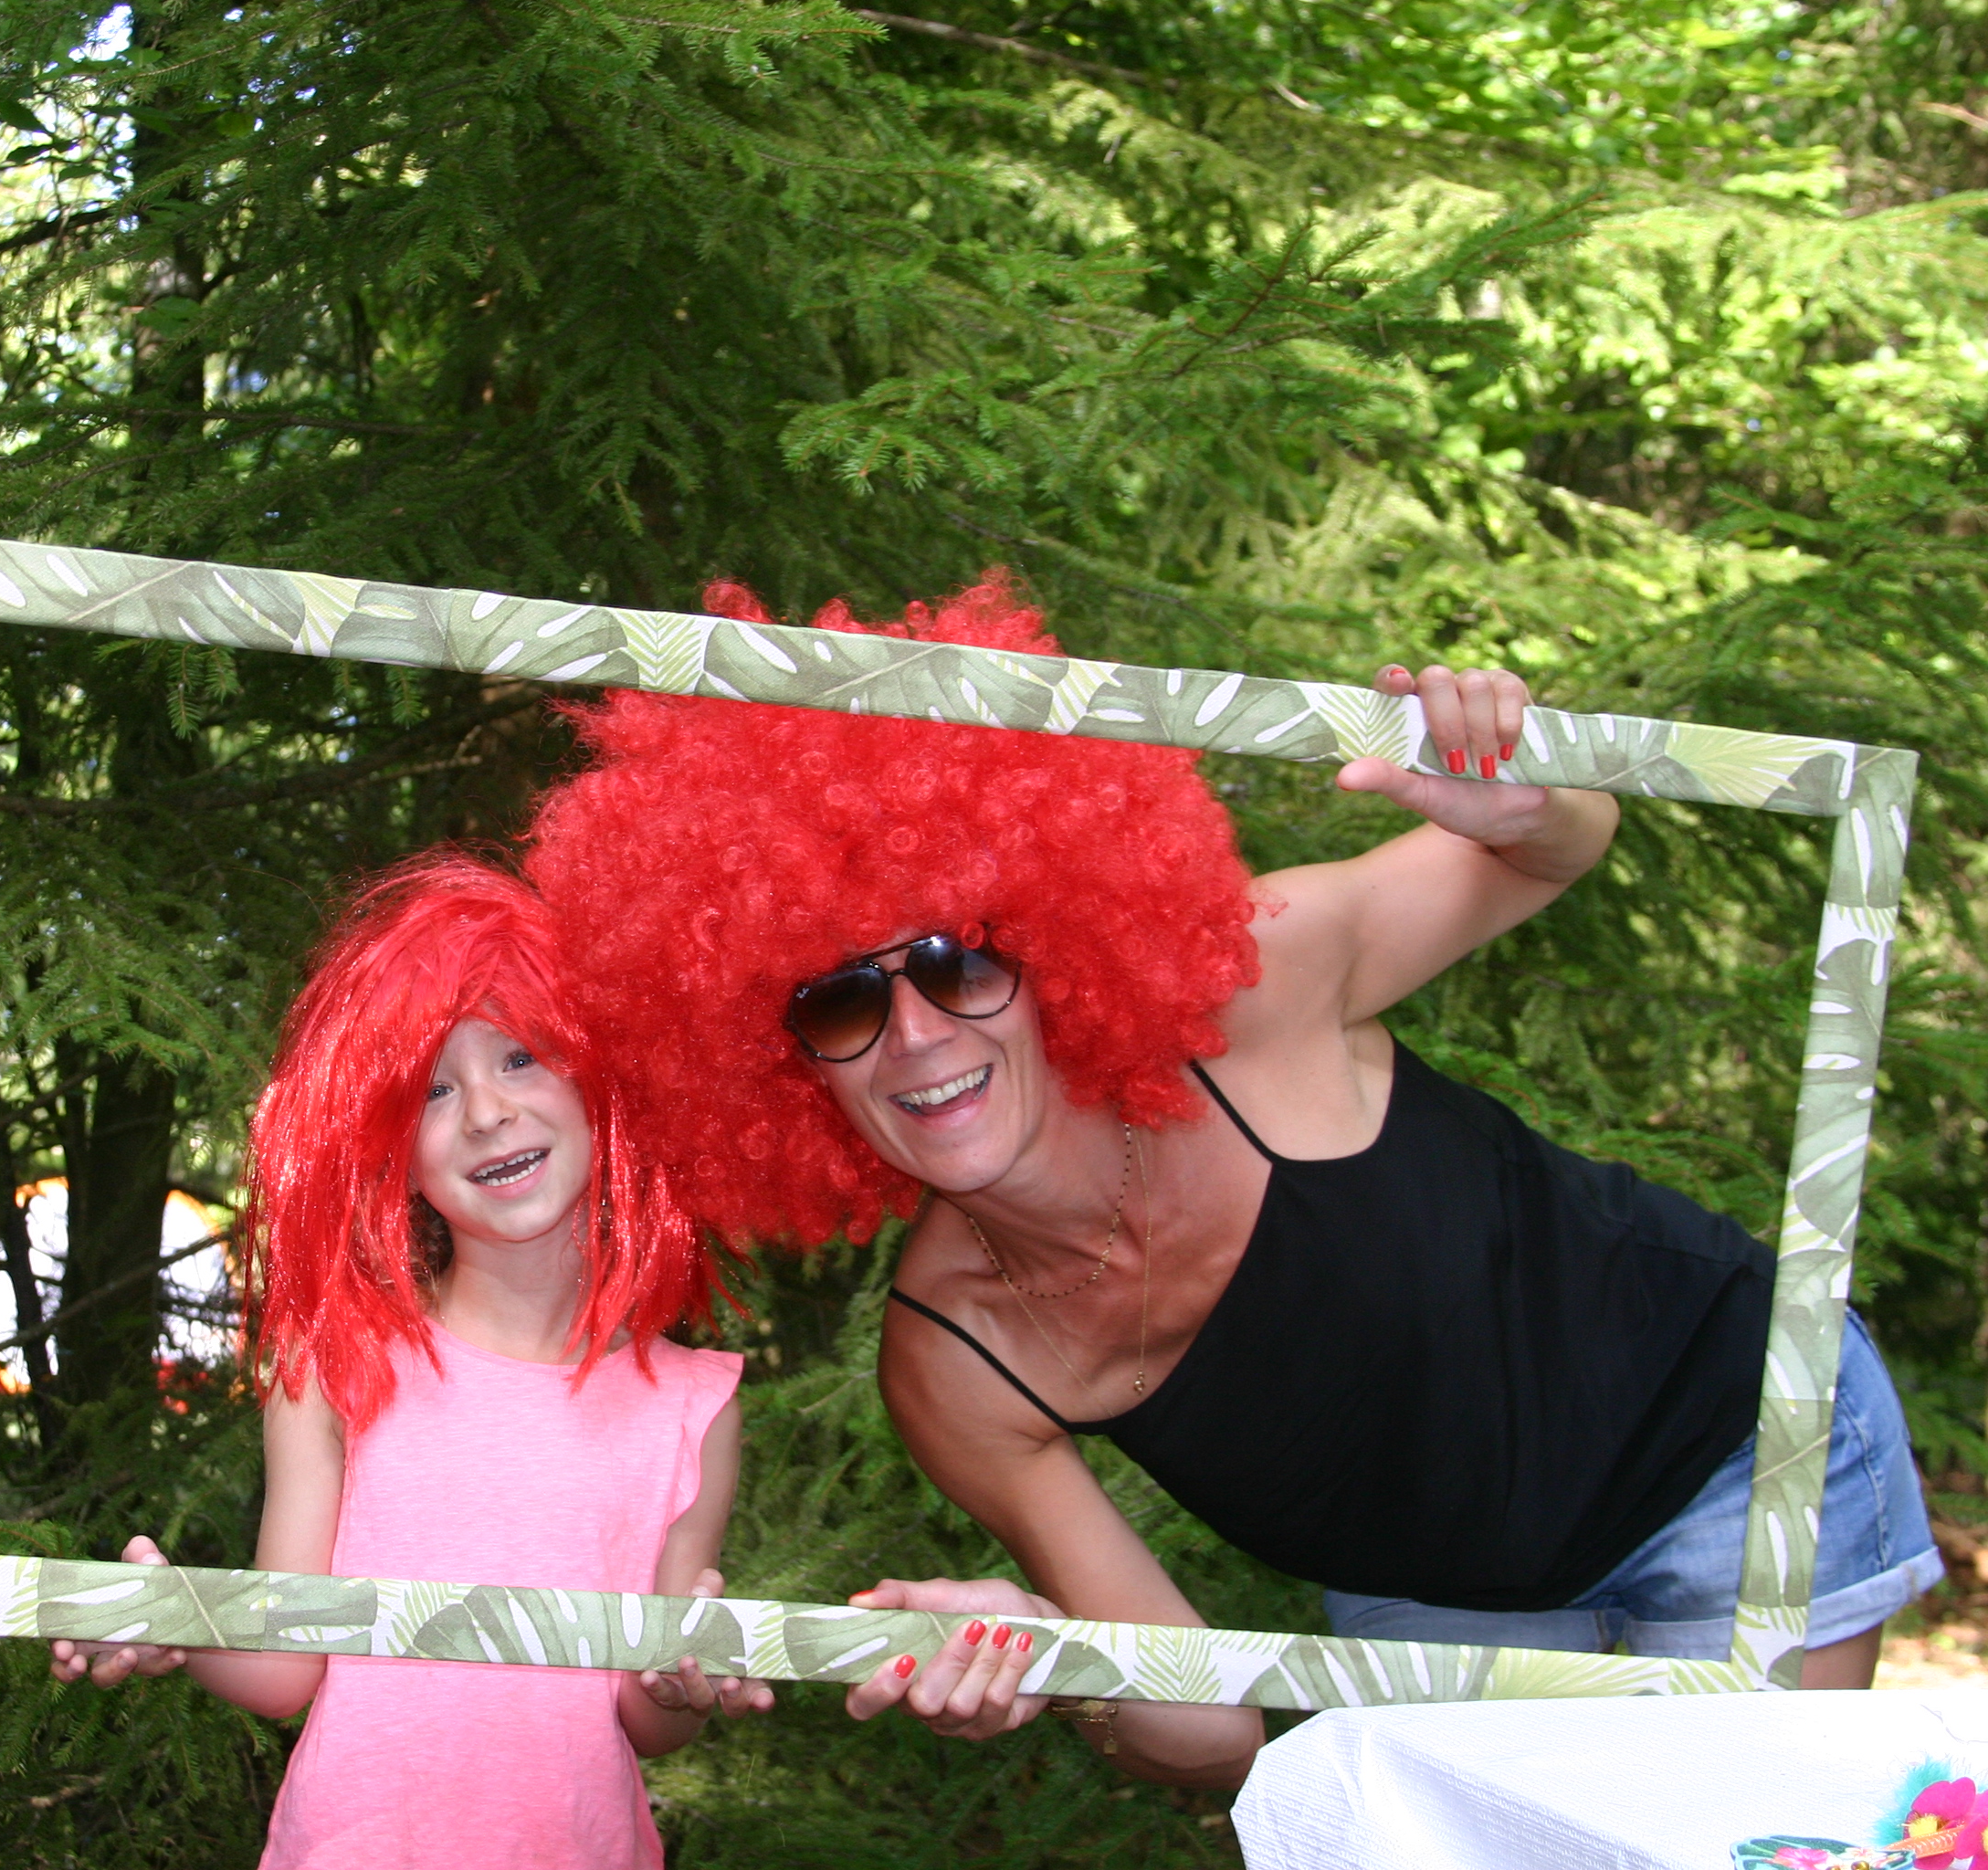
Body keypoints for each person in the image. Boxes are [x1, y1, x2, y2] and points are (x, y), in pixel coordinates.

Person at [522, 574, 1940, 1789]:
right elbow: (1209, 1730)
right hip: (1446, 1592)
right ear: (784, 1073)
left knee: (1743, 1834)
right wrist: (1060, 1656)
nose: (917, 1035)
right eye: (838, 1002)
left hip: (1729, 1440)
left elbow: (1561, 849)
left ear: (1047, 954)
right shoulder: (960, 1362)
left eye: (957, 963)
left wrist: (1523, 787)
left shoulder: (1249, 996)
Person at [47, 854, 770, 1867]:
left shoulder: (691, 1405)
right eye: (434, 1088)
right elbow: (285, 1664)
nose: (485, 1111)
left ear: (602, 1077)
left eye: (520, 1056)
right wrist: (176, 1618)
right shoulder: (335, 1365)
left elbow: (648, 1717)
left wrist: (678, 1681)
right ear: (393, 1149)